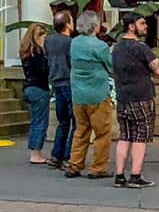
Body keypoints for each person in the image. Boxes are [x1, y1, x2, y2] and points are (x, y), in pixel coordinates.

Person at [112, 12, 159, 189]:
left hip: (123, 96)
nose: (146, 26)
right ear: (132, 26)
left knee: (125, 135)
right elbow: (158, 70)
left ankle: (119, 175)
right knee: (140, 136)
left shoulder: (116, 47)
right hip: (141, 96)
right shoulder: (141, 48)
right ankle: (135, 175)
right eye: (142, 23)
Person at [65, 10, 113, 180]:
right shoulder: (101, 46)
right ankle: (98, 167)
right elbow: (111, 67)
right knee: (102, 133)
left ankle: (74, 165)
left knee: (81, 130)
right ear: (95, 26)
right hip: (98, 93)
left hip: (78, 94)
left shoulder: (74, 43)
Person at [44, 11, 75, 169]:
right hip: (69, 81)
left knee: (63, 121)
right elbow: (72, 62)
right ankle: (68, 157)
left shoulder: (48, 41)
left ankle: (56, 155)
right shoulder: (70, 42)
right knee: (76, 122)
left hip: (56, 81)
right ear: (68, 24)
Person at [20, 23, 50, 165]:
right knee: (40, 122)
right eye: (44, 36)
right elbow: (43, 72)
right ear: (38, 36)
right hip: (39, 89)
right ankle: (36, 153)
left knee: (34, 121)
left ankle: (33, 150)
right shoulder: (38, 53)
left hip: (28, 88)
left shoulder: (26, 52)